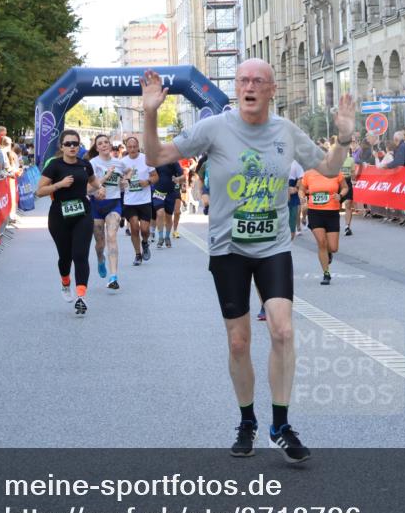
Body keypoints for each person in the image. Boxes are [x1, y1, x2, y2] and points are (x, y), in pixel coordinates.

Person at [139, 59, 354, 463]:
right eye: (243, 81)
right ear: (236, 89)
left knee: (283, 332)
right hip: (228, 248)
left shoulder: (286, 132)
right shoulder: (214, 129)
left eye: (258, 81)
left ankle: (281, 424)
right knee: (239, 342)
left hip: (273, 245)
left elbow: (326, 167)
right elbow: (155, 157)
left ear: (272, 90)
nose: (250, 86)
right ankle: (247, 420)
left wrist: (342, 140)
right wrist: (150, 113)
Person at [35, 129, 99, 316]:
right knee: (65, 257)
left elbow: (93, 182)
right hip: (59, 216)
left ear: (79, 146)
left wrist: (100, 189)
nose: (72, 147)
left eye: (75, 144)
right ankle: (65, 281)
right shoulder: (54, 166)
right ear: (61, 147)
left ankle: (81, 296)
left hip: (83, 214)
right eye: (68, 144)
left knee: (80, 255)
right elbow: (40, 191)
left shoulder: (85, 165)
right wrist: (59, 185)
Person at [87, 134, 126, 291]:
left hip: (113, 204)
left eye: (106, 142)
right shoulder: (92, 164)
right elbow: (88, 189)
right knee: (100, 243)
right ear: (96, 148)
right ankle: (100, 258)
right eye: (100, 143)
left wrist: (125, 182)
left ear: (110, 146)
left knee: (111, 237)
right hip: (96, 206)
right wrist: (103, 181)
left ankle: (113, 277)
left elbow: (127, 174)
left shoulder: (119, 163)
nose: (103, 145)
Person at [299, 166, 347, 285]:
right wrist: (302, 198)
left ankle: (328, 253)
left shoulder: (336, 172)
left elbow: (345, 187)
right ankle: (326, 273)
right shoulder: (308, 174)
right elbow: (301, 189)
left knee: (333, 247)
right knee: (321, 242)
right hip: (315, 212)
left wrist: (340, 195)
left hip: (332, 213)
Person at [121, 136, 158, 265]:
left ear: (138, 147)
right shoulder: (123, 162)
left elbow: (155, 176)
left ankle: (145, 242)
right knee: (134, 228)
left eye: (134, 146)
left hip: (144, 200)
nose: (132, 149)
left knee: (145, 230)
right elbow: (120, 182)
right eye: (129, 147)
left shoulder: (146, 159)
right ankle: (137, 254)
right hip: (129, 201)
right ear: (126, 148)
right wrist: (124, 181)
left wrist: (147, 182)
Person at [152, 159, 184, 248]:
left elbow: (183, 176)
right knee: (160, 212)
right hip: (158, 192)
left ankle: (167, 237)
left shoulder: (174, 163)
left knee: (169, 216)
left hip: (170, 193)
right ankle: (161, 237)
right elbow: (152, 174)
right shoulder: (157, 161)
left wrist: (178, 179)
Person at [340, 138, 357, 236]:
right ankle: (333, 225)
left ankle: (347, 227)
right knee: (335, 206)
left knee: (348, 204)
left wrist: (354, 180)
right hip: (338, 183)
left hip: (347, 182)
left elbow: (353, 173)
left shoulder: (351, 160)